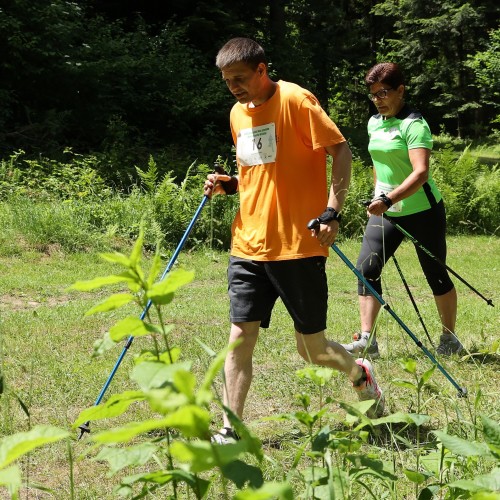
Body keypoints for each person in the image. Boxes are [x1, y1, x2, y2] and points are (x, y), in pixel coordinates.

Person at [204, 37, 385, 443]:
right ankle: (231, 429)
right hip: (248, 243)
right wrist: (230, 185)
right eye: (227, 80)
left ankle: (359, 373)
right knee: (239, 337)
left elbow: (340, 151)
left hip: (297, 244)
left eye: (239, 79)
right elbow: (258, 171)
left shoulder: (296, 100)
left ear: (262, 70)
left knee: (312, 349)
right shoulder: (237, 113)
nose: (233, 87)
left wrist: (332, 210)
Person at [341, 62, 463, 359]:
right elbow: (379, 167)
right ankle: (367, 340)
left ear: (400, 90)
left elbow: (420, 173)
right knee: (367, 269)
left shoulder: (414, 124)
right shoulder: (374, 123)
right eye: (373, 95)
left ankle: (450, 339)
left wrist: (389, 199)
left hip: (423, 211)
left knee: (435, 274)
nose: (378, 99)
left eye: (383, 93)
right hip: (386, 212)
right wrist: (377, 199)